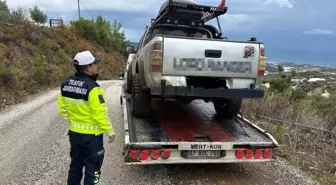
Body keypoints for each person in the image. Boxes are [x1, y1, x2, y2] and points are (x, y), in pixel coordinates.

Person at [57, 50, 116, 185]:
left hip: (75, 135)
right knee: (93, 169)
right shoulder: (93, 88)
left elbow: (63, 109)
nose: (97, 66)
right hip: (91, 138)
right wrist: (110, 131)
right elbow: (100, 114)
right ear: (88, 68)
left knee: (75, 167)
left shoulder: (65, 84)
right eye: (95, 64)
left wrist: (73, 121)